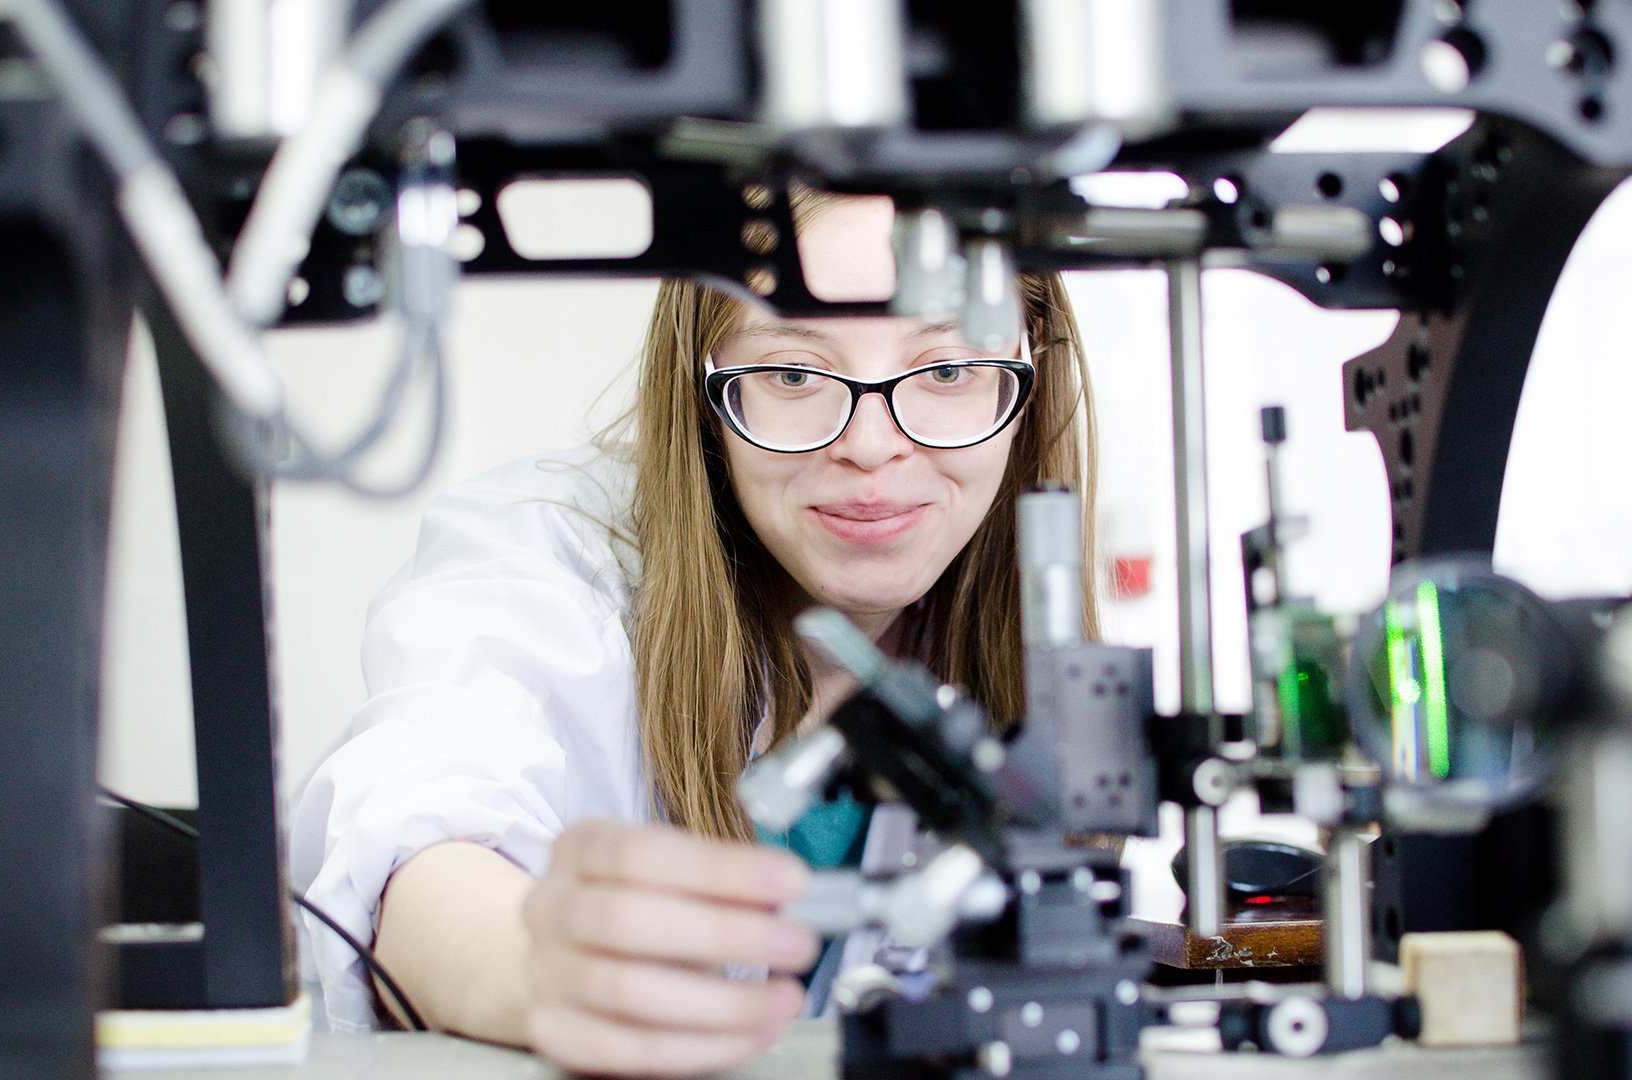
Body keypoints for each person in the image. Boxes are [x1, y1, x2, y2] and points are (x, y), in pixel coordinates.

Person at [289, 190, 1098, 1077]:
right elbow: (413, 830)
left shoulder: (1030, 629)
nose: (871, 445)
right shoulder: (548, 561)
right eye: (793, 373)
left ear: (1029, 368)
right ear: (703, 382)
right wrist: (541, 965)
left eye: (946, 370)